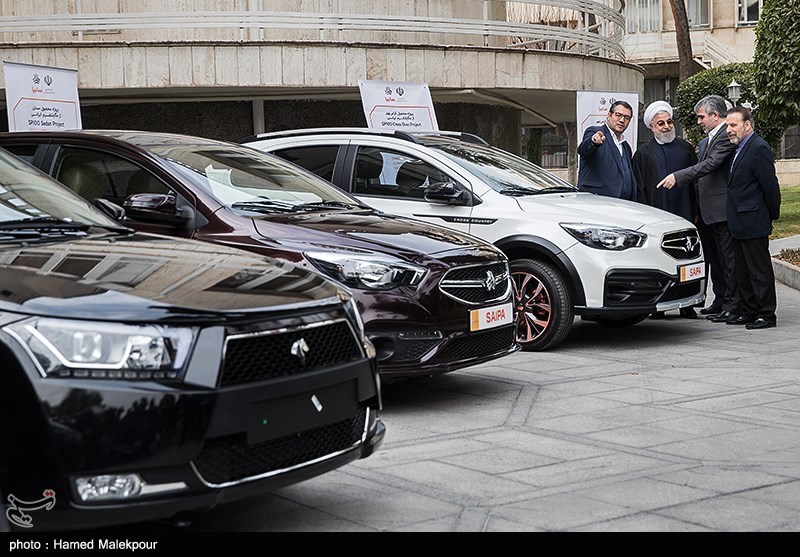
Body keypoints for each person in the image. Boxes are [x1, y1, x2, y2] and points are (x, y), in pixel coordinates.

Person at [657, 95, 737, 321]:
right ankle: (720, 300)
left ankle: (732, 305)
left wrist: (677, 176)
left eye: (701, 117)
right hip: (707, 212)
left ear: (714, 115)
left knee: (728, 261)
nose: (699, 121)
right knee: (715, 260)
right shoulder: (706, 141)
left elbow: (710, 165)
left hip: (721, 210)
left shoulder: (725, 136)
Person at [632, 100, 698, 318]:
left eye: (669, 122)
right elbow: (640, 188)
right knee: (659, 260)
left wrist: (696, 210)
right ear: (652, 127)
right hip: (657, 216)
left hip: (685, 211)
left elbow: (696, 182)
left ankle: (687, 303)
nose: (667, 126)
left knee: (687, 259)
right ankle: (659, 305)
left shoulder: (686, 148)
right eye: (661, 123)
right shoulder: (643, 153)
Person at [724, 106, 781, 329]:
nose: (729, 130)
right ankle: (749, 311)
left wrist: (771, 215)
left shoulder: (758, 147)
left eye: (733, 125)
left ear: (747, 125)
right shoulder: (738, 148)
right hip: (738, 221)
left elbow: (770, 186)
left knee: (759, 271)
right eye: (727, 126)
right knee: (742, 271)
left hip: (754, 220)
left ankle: (766, 314)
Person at [577, 100, 637, 201]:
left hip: (623, 203)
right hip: (597, 201)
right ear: (609, 115)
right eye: (618, 115)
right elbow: (583, 149)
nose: (622, 120)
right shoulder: (594, 131)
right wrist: (594, 142)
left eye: (627, 118)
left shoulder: (626, 146)